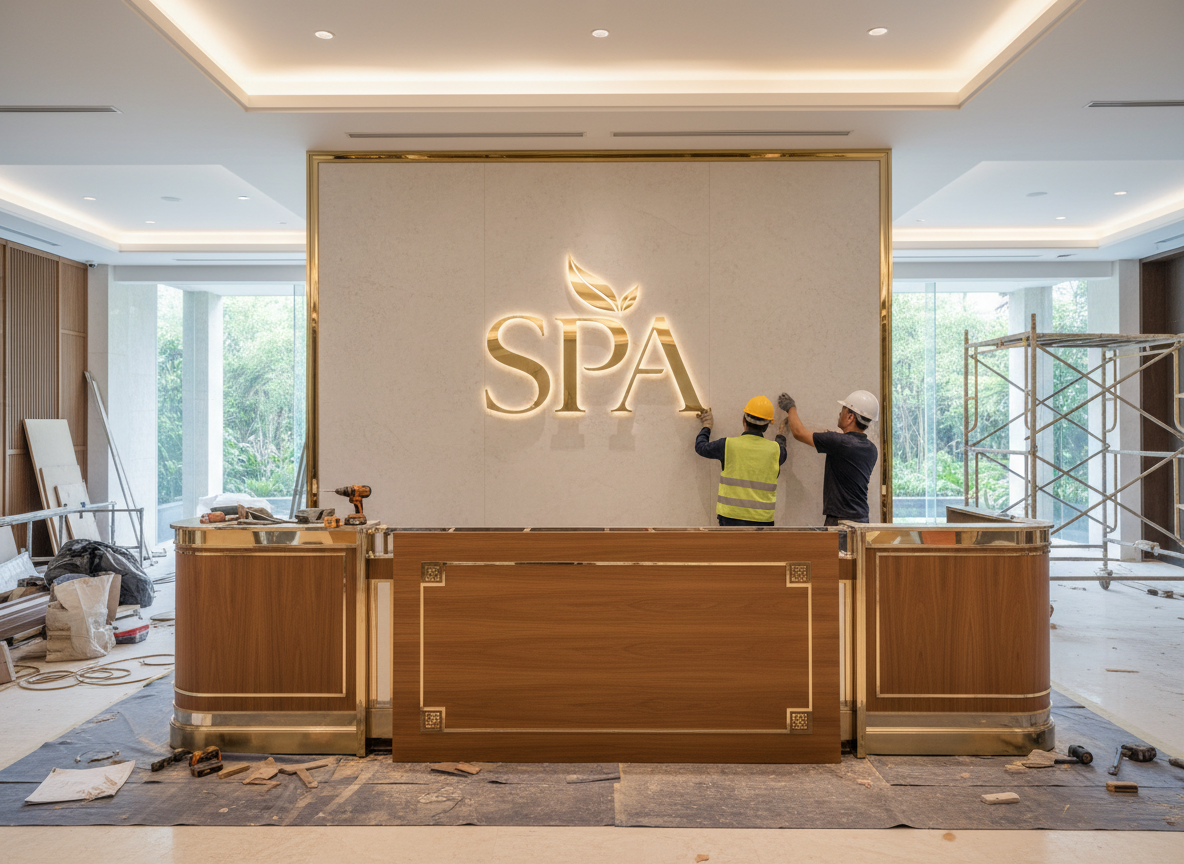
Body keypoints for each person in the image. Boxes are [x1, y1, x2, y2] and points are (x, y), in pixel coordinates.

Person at [778, 390, 879, 525]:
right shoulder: (871, 449)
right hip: (862, 520)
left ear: (850, 417)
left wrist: (791, 407)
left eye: (842, 410)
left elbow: (798, 432)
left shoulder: (839, 442)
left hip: (841, 522)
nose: (840, 414)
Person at [694, 396, 787, 527]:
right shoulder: (776, 451)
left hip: (730, 518)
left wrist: (707, 426)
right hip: (762, 520)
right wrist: (781, 434)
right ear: (766, 426)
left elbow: (701, 447)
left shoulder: (727, 445)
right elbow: (781, 448)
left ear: (744, 420)